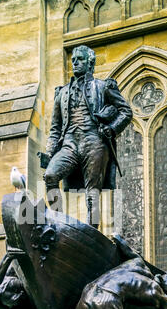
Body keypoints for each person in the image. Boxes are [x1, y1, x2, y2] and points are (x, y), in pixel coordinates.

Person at [44, 45, 133, 228]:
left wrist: (112, 129)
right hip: (69, 144)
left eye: (80, 59)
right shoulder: (62, 93)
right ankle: (57, 221)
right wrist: (49, 152)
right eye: (73, 59)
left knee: (92, 192)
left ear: (90, 63)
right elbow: (55, 128)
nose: (75, 62)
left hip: (94, 141)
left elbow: (126, 112)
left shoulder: (103, 86)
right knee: (50, 176)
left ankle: (92, 230)